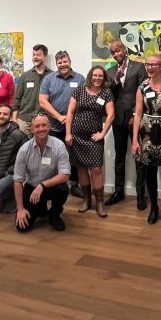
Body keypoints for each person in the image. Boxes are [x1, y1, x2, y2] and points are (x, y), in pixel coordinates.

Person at [66, 65, 115, 218]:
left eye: (100, 76)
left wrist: (102, 134)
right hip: (77, 136)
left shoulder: (106, 93)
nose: (97, 78)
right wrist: (68, 133)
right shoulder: (80, 90)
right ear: (90, 76)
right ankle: (87, 200)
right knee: (81, 168)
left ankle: (99, 203)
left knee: (96, 169)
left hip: (94, 138)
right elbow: (70, 112)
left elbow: (111, 115)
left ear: (104, 78)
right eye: (95, 75)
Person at [38, 50, 86, 199]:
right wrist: (59, 117)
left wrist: (70, 118)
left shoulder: (80, 78)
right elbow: (42, 101)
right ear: (57, 64)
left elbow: (83, 100)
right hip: (53, 126)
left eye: (65, 61)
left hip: (74, 126)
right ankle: (54, 185)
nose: (63, 64)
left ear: (70, 61)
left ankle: (74, 185)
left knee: (74, 156)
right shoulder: (49, 78)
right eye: (60, 62)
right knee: (53, 156)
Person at [105, 40, 146, 206]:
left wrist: (136, 114)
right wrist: (116, 79)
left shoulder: (139, 67)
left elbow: (143, 91)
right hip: (118, 120)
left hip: (135, 119)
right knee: (119, 157)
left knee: (139, 157)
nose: (116, 54)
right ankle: (118, 191)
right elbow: (109, 93)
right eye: (113, 52)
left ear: (125, 49)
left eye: (118, 50)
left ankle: (141, 196)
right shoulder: (111, 71)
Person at [13, 115, 71, 233]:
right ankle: (41, 208)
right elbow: (18, 180)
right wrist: (20, 209)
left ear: (49, 127)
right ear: (32, 129)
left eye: (44, 125)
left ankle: (54, 215)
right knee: (22, 227)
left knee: (63, 188)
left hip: (51, 186)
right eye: (37, 126)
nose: (41, 129)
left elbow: (65, 175)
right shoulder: (24, 150)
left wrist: (43, 185)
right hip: (32, 188)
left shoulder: (59, 146)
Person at [131, 54, 161, 224]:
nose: (150, 67)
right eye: (148, 65)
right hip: (146, 135)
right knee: (150, 174)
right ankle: (154, 207)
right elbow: (138, 113)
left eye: (154, 65)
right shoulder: (142, 88)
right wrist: (134, 140)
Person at [12, 44, 52, 136]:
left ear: (45, 57)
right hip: (25, 120)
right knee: (24, 147)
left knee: (42, 147)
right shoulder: (25, 76)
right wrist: (14, 118)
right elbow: (17, 98)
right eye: (34, 55)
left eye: (38, 55)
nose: (35, 57)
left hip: (44, 120)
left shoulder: (52, 76)